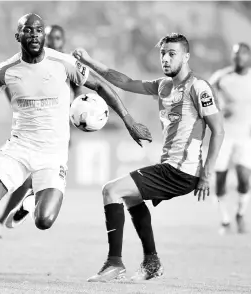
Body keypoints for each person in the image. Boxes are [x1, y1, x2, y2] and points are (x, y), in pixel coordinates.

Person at [0, 13, 152, 285]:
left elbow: (101, 86)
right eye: (28, 30)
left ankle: (29, 202)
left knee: (44, 221)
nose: (34, 34)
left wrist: (129, 122)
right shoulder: (6, 70)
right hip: (17, 149)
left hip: (52, 155)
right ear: (18, 36)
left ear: (44, 35)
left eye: (38, 30)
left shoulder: (63, 63)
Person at [72, 33, 224, 282]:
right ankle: (151, 262)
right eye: (163, 53)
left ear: (186, 57)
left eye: (172, 53)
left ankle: (114, 263)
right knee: (131, 198)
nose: (165, 58)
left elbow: (219, 130)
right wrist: (89, 61)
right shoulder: (163, 86)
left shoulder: (199, 88)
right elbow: (124, 81)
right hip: (171, 168)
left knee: (111, 191)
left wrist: (207, 174)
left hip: (182, 170)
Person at [0, 24, 83, 238]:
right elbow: (11, 89)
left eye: (58, 38)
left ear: (63, 41)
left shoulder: (67, 65)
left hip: (58, 135)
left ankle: (10, 215)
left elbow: (77, 98)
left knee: (33, 181)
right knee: (26, 181)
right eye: (50, 37)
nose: (54, 42)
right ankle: (16, 211)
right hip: (31, 133)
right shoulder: (32, 63)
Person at [209, 43, 251, 234]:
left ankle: (241, 213)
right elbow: (205, 96)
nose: (238, 58)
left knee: (244, 179)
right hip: (224, 136)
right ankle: (224, 220)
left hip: (245, 136)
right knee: (220, 179)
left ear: (248, 57)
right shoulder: (221, 77)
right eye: (235, 54)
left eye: (242, 54)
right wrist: (218, 109)